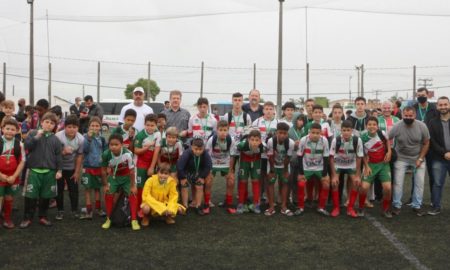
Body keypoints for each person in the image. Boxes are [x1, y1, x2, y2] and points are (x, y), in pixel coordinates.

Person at [20, 112, 63, 228]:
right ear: (42, 122)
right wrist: (36, 137)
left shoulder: (55, 139)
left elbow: (58, 156)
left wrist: (59, 170)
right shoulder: (33, 133)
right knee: (30, 196)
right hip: (33, 171)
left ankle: (43, 217)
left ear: (55, 126)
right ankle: (27, 218)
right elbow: (26, 146)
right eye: (47, 122)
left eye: (52, 123)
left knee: (46, 196)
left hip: (49, 172)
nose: (49, 125)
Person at [389, 106, 430, 216]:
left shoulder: (422, 126)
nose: (408, 117)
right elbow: (387, 138)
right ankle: (397, 205)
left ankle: (417, 206)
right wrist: (389, 151)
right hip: (401, 158)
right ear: (402, 115)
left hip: (418, 157)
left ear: (415, 115)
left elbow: (426, 143)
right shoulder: (397, 126)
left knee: (419, 183)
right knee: (398, 183)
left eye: (410, 116)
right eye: (405, 116)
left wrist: (420, 158)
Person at [101, 133, 140, 231]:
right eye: (111, 144)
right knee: (108, 193)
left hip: (127, 177)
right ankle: (108, 219)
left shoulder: (128, 154)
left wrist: (133, 185)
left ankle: (134, 220)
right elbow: (103, 170)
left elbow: (132, 171)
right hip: (114, 177)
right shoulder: (106, 154)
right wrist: (105, 185)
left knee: (133, 193)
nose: (113, 147)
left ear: (122, 145)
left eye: (116, 144)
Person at [359, 117, 393, 218]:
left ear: (377, 126)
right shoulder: (362, 137)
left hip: (383, 164)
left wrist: (389, 152)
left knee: (387, 188)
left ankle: (385, 209)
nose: (372, 126)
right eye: (369, 124)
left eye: (374, 124)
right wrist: (366, 166)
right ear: (366, 126)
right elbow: (363, 154)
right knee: (364, 187)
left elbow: (387, 142)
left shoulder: (382, 133)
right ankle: (361, 208)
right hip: (370, 165)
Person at [329, 120, 363, 218]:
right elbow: (331, 157)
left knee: (356, 183)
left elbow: (359, 157)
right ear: (341, 130)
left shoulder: (357, 140)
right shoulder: (336, 140)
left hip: (351, 165)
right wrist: (334, 175)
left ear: (352, 130)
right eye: (344, 130)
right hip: (338, 165)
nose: (346, 132)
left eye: (348, 130)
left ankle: (350, 208)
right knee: (334, 183)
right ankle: (336, 208)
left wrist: (357, 175)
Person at [296, 123, 331, 216]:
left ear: (321, 133)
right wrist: (301, 173)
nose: (315, 135)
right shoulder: (304, 140)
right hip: (306, 167)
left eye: (317, 133)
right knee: (300, 183)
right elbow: (299, 156)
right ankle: (300, 207)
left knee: (326, 184)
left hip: (319, 167)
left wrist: (324, 174)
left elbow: (326, 157)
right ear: (309, 132)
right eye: (313, 132)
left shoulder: (324, 140)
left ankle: (321, 207)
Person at [55, 115, 84, 220]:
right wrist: (63, 152)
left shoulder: (81, 139)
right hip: (59, 167)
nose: (72, 129)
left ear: (78, 128)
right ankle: (60, 210)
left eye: (75, 127)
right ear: (65, 127)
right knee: (59, 190)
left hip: (71, 167)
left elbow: (79, 156)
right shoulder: (58, 136)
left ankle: (74, 210)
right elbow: (53, 154)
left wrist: (76, 172)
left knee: (74, 190)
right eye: (69, 127)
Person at [413, 87, 439, 202]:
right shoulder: (414, 108)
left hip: (433, 146)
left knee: (433, 174)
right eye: (418, 95)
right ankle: (413, 198)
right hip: (418, 146)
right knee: (415, 173)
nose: (420, 97)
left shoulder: (434, 108)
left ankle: (434, 199)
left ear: (428, 95)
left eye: (423, 95)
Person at [206, 120, 237, 214]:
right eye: (221, 130)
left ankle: (229, 203)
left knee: (231, 181)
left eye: (225, 130)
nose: (223, 132)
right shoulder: (212, 140)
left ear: (228, 130)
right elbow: (207, 156)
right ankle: (206, 204)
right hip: (213, 162)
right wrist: (208, 170)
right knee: (208, 181)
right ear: (217, 130)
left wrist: (231, 171)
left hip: (225, 163)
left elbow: (232, 156)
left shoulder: (231, 140)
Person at [79, 117, 107, 220]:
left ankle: (98, 209)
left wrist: (105, 165)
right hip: (87, 167)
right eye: (92, 125)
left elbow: (105, 152)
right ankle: (89, 210)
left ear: (100, 127)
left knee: (97, 188)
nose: (94, 127)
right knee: (87, 189)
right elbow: (84, 150)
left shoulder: (102, 139)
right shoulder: (85, 137)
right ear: (89, 127)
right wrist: (89, 139)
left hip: (99, 167)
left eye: (97, 125)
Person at [0, 118, 26, 229]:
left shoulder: (19, 145)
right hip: (0, 176)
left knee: (9, 198)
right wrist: (1, 175)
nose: (10, 131)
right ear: (2, 129)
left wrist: (14, 176)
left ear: (17, 131)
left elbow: (22, 162)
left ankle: (7, 219)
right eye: (7, 128)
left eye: (12, 129)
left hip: (12, 177)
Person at [177, 137, 212, 215]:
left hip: (198, 173)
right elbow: (180, 166)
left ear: (203, 148)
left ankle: (198, 206)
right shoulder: (187, 153)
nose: (198, 151)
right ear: (192, 147)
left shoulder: (205, 153)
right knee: (184, 185)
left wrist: (202, 177)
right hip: (187, 173)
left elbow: (208, 166)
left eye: (200, 149)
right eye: (196, 149)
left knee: (199, 186)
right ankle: (185, 206)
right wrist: (182, 177)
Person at [427, 96, 450, 215]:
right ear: (437, 106)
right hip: (439, 158)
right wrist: (444, 152)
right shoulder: (432, 122)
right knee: (437, 183)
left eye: (445, 104)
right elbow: (432, 141)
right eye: (440, 105)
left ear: (449, 105)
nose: (443, 107)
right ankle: (436, 207)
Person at [266, 122, 295, 216]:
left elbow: (288, 157)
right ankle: (271, 207)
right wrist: (272, 170)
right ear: (276, 133)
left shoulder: (291, 143)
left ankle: (283, 206)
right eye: (280, 133)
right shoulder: (271, 141)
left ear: (287, 134)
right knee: (270, 183)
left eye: (285, 133)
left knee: (285, 183)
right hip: (272, 164)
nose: (282, 135)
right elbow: (270, 157)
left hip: (284, 165)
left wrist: (286, 171)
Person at [134, 114, 161, 209]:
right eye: (148, 125)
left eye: (152, 125)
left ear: (156, 125)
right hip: (140, 164)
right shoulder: (140, 135)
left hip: (151, 163)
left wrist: (152, 167)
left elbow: (157, 151)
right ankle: (138, 209)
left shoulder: (158, 134)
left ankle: (150, 208)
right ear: (144, 124)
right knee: (140, 187)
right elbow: (136, 151)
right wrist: (148, 147)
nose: (150, 127)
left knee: (151, 186)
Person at [235, 130, 265, 214]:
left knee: (255, 181)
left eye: (256, 140)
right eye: (252, 140)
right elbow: (236, 147)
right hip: (244, 162)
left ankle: (256, 204)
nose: (254, 142)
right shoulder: (243, 145)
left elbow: (266, 151)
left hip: (256, 162)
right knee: (243, 181)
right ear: (248, 139)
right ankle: (241, 203)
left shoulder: (262, 146)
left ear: (260, 140)